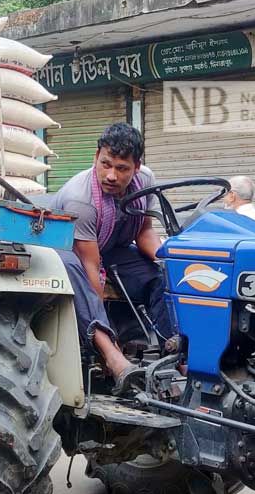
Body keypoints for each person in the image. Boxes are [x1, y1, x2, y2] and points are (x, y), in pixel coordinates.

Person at [48, 123, 174, 383]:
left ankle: (172, 353)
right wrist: (108, 330)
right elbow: (91, 266)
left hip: (111, 249)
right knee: (71, 266)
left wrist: (167, 258)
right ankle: (111, 354)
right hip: (68, 254)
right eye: (105, 164)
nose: (111, 176)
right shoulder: (80, 200)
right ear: (96, 157)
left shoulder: (145, 181)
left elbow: (144, 232)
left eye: (122, 168)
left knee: (162, 275)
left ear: (136, 167)